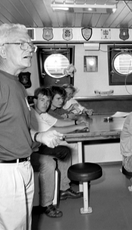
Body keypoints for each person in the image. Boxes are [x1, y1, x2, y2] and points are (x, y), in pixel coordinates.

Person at [0, 23, 62, 229]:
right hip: (1, 173)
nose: (29, 49)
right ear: (2, 50)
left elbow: (14, 126)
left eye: (30, 44)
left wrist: (39, 137)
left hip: (22, 167)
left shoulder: (17, 84)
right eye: (22, 44)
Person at [30, 87, 88, 217]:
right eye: (42, 100)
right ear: (34, 100)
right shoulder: (33, 113)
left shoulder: (43, 113)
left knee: (65, 150)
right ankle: (47, 204)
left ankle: (63, 188)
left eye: (47, 101)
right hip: (32, 149)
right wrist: (78, 126)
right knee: (57, 156)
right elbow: (55, 129)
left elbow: (59, 122)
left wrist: (76, 122)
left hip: (39, 145)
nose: (45, 103)